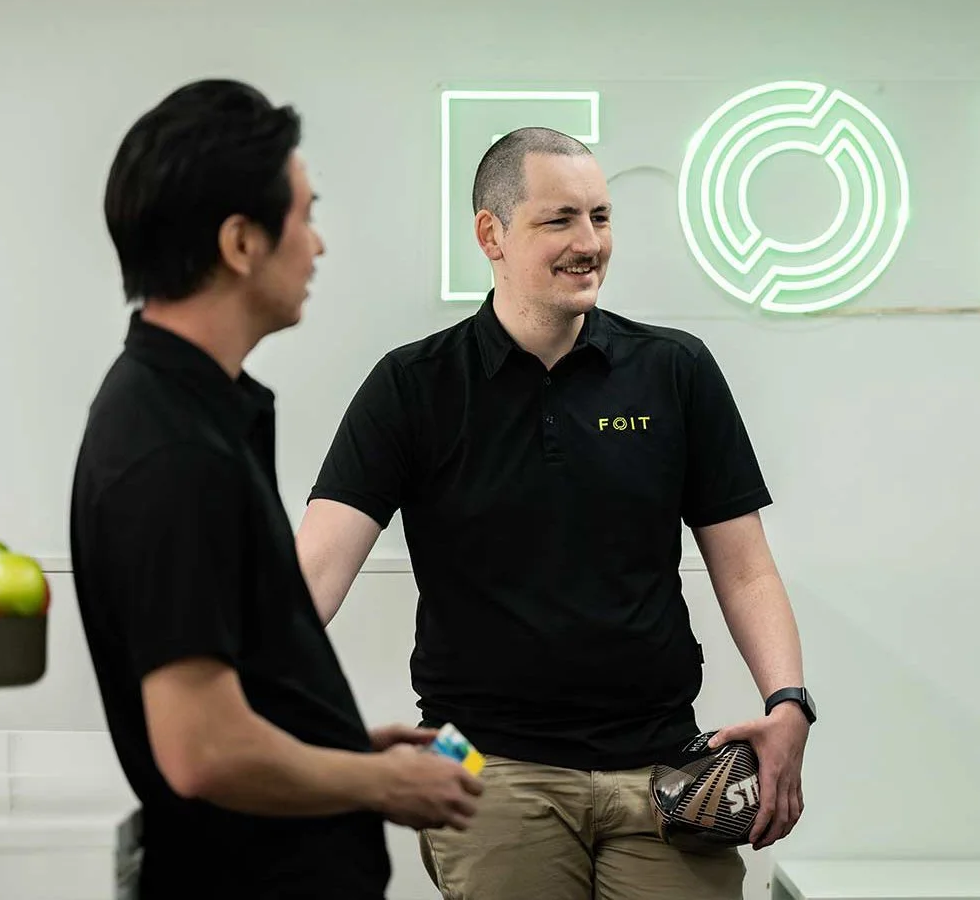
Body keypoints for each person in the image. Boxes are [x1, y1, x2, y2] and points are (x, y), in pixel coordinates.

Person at [298, 126, 813, 900]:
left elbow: (745, 569)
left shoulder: (675, 372)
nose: (590, 243)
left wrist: (790, 702)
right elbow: (314, 575)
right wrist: (239, 710)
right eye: (560, 219)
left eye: (601, 217)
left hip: (663, 760)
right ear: (491, 234)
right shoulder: (412, 386)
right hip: (474, 760)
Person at [71, 80, 481, 899]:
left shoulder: (189, 414)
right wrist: (380, 785)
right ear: (241, 242)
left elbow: (236, 695)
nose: (320, 245)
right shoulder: (171, 449)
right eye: (306, 214)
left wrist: (343, 748)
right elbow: (203, 751)